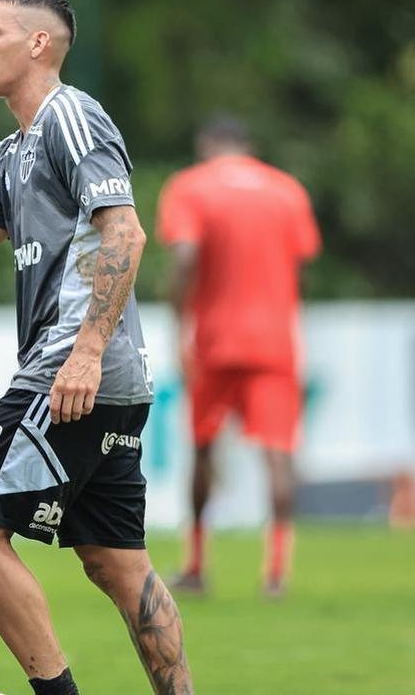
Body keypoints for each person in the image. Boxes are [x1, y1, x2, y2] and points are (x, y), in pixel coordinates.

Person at [0, 0, 193, 694]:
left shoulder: (71, 117)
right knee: (116, 561)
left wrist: (87, 351)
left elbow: (125, 231)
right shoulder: (15, 151)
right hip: (105, 379)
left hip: (72, 371)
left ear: (38, 43)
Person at [157, 115, 321, 597]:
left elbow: (186, 257)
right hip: (274, 339)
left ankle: (196, 564)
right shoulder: (286, 189)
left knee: (204, 450)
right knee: (277, 452)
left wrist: (179, 320)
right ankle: (276, 573)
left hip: (214, 339)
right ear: (247, 146)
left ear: (206, 145)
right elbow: (301, 267)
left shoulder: (190, 187)